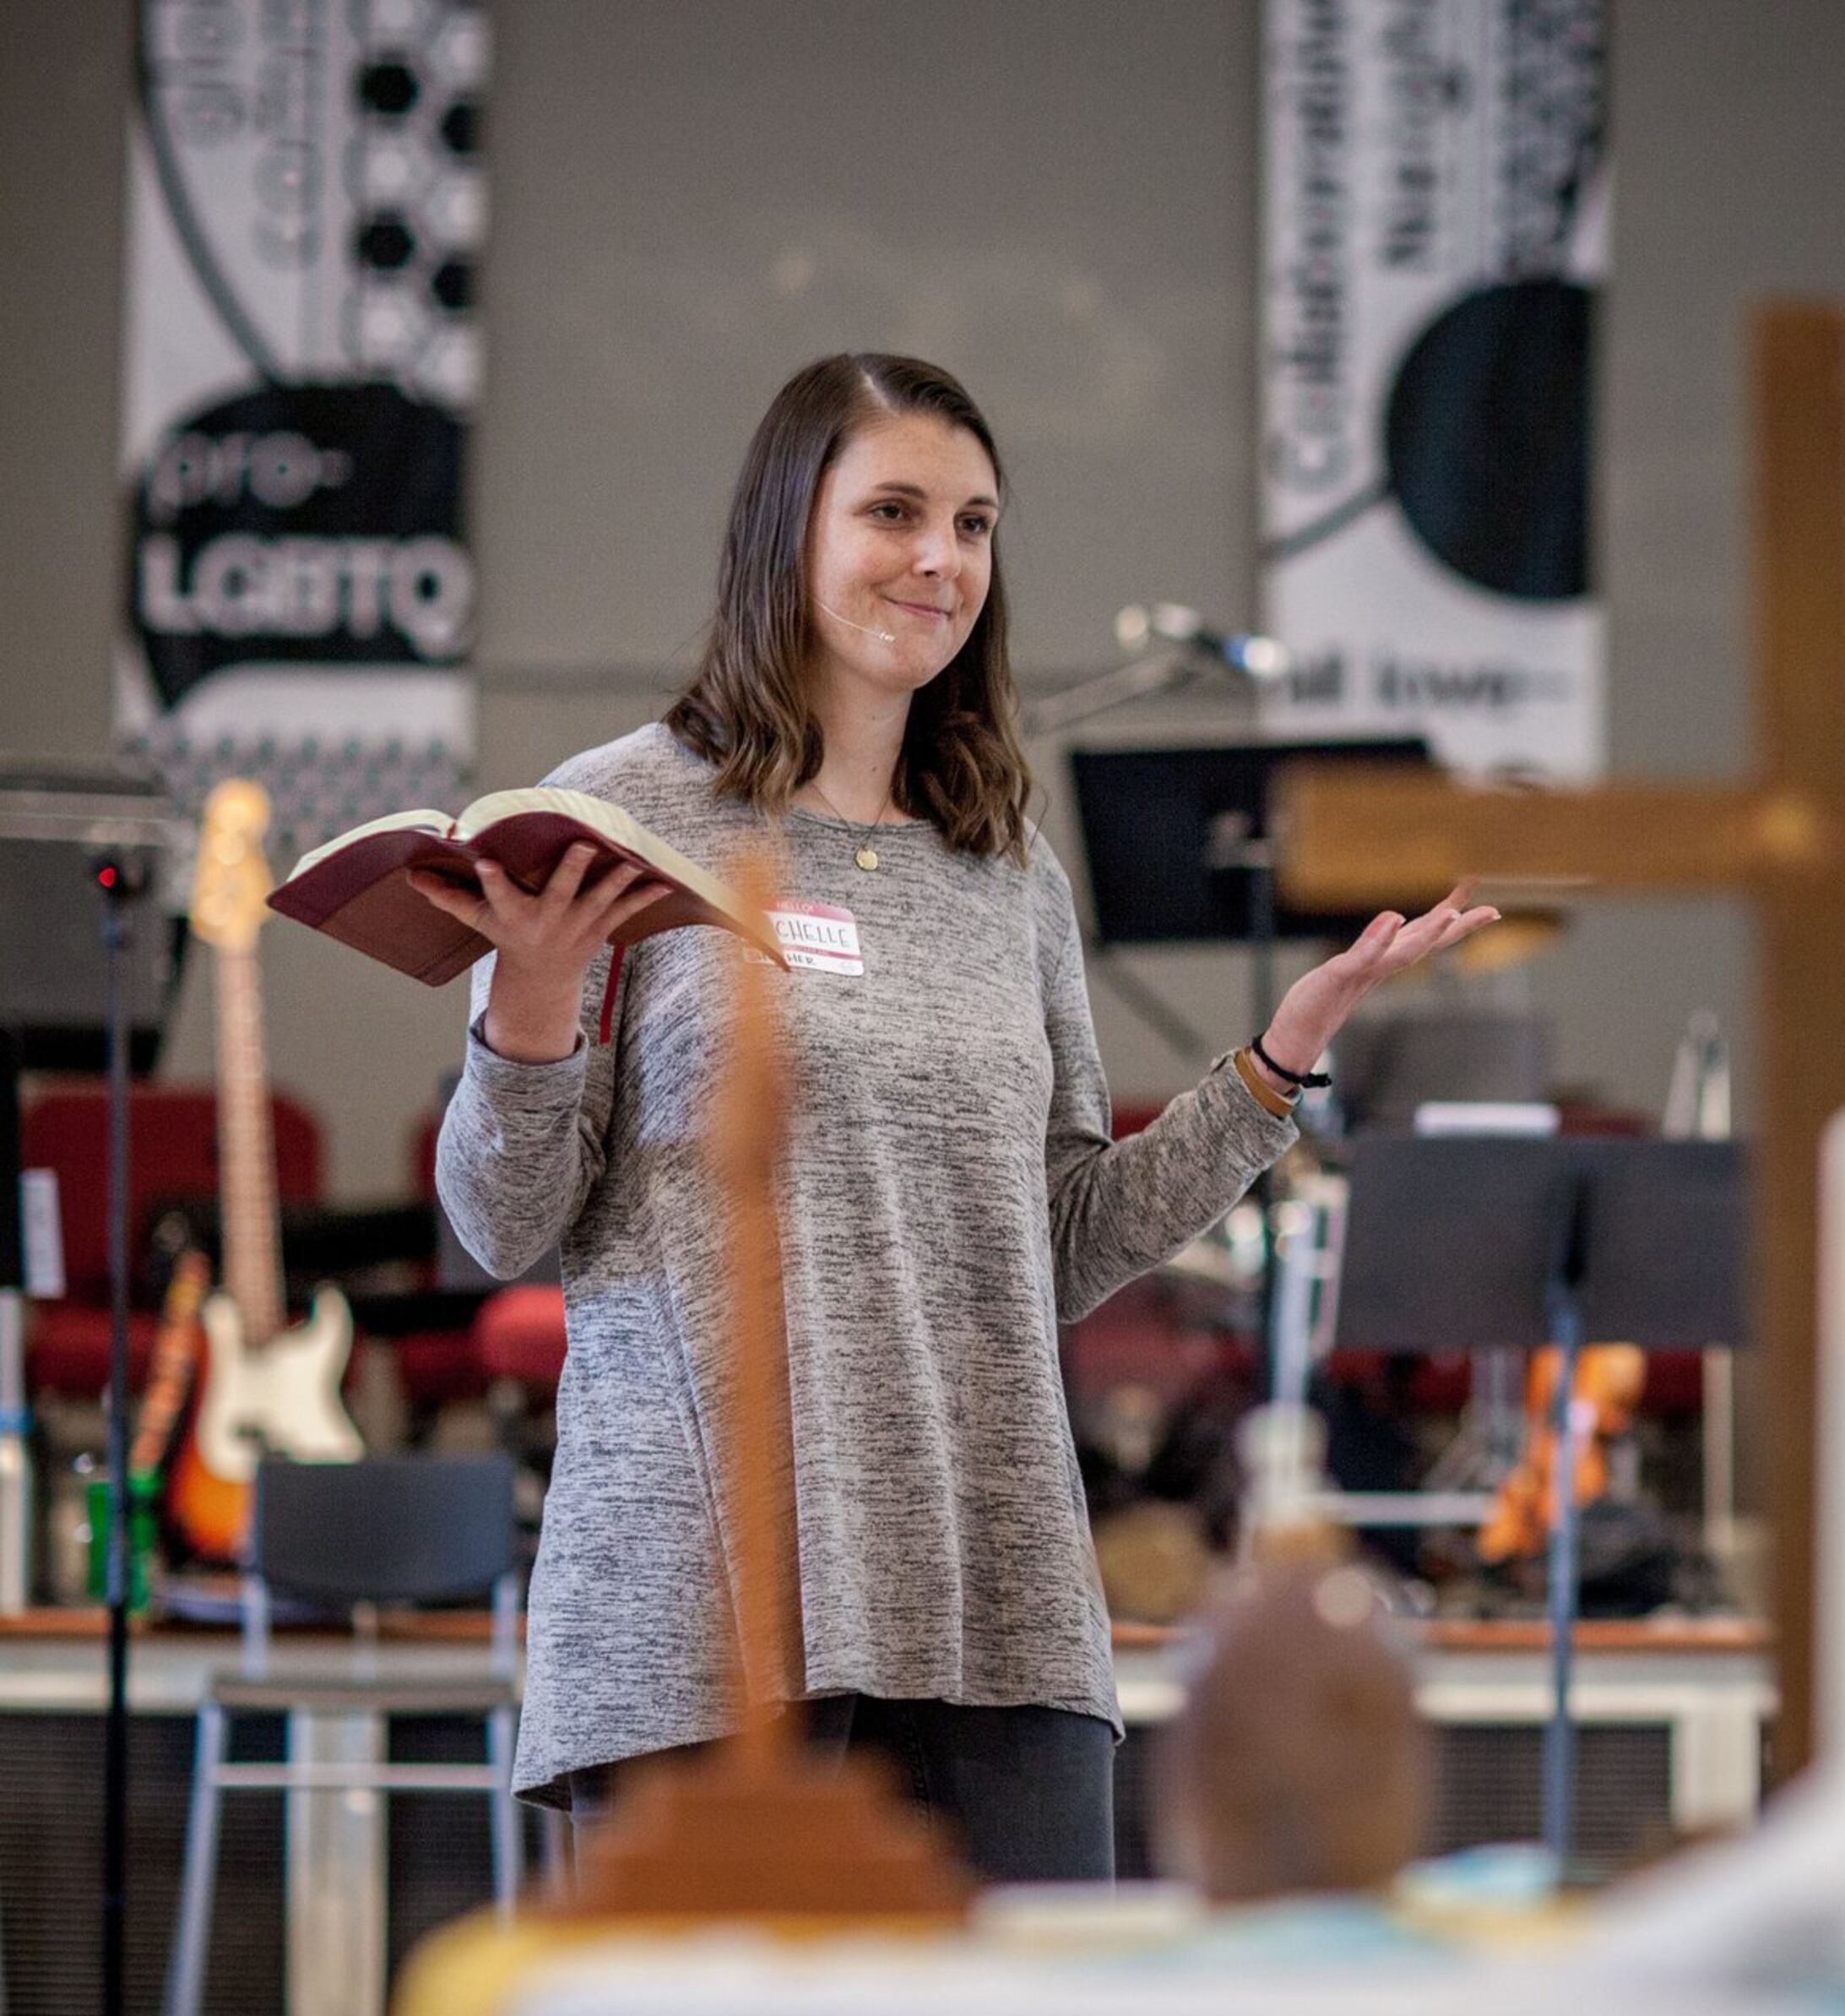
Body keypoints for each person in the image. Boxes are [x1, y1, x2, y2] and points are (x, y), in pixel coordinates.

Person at [429, 352, 1492, 1877]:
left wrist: (1278, 1063)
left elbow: (1054, 1243)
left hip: (991, 1595)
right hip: (707, 1602)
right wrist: (524, 1013)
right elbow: (506, 1221)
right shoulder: (619, 815)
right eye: (896, 513)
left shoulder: (1003, 865)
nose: (942, 561)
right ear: (784, 535)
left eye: (976, 525)